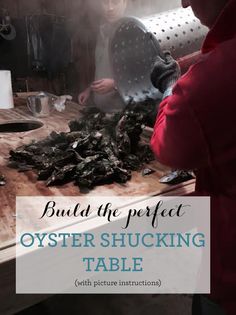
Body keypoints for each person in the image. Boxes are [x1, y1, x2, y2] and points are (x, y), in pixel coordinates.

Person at [150, 0, 236, 314]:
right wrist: (186, 65)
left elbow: (169, 148)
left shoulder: (217, 77)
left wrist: (171, 87)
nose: (184, 2)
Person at [78, 0, 127, 113]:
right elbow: (103, 67)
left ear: (125, 3)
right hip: (102, 112)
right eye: (105, 2)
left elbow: (143, 77)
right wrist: (90, 89)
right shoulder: (103, 31)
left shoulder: (132, 32)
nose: (109, 8)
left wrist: (115, 84)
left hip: (123, 114)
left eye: (115, 2)